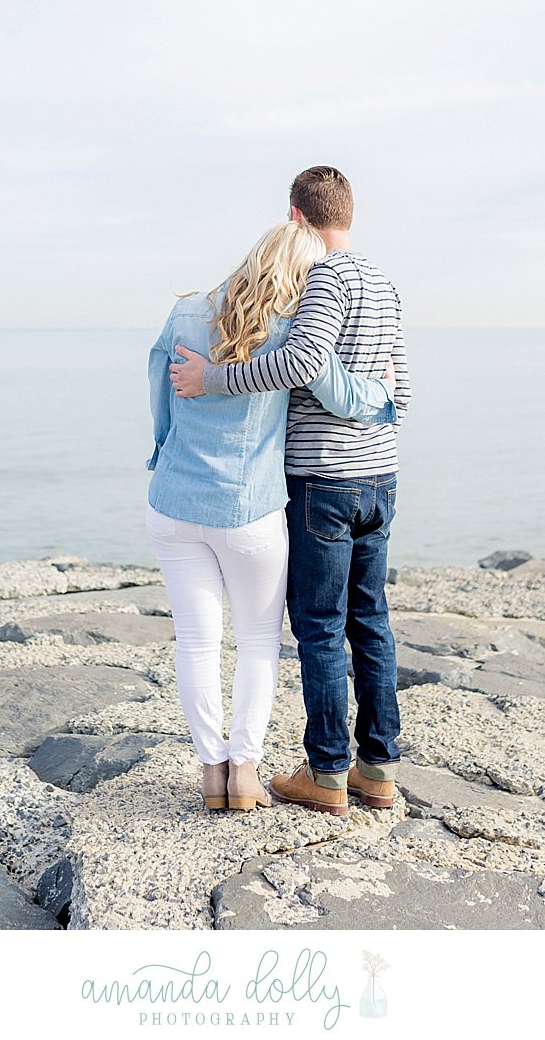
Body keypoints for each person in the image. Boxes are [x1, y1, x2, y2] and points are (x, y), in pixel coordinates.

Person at [170, 166, 410, 817]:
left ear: (295, 216)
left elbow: (301, 363)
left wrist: (214, 379)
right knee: (373, 623)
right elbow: (401, 393)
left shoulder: (322, 279)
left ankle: (327, 772)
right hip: (379, 476)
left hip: (322, 479)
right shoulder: (385, 285)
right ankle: (378, 769)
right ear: (349, 213)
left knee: (320, 628)